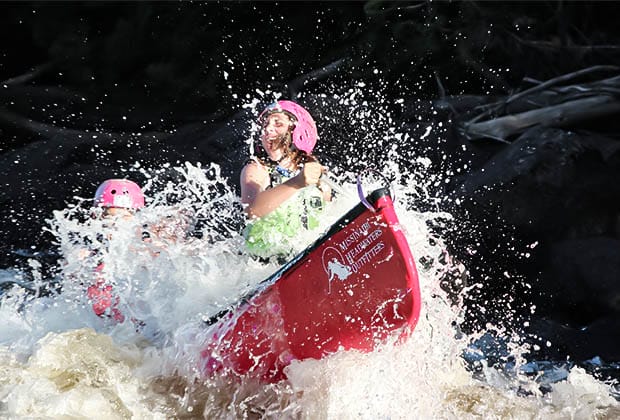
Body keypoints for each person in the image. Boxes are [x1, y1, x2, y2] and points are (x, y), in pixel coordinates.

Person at [240, 100, 332, 258]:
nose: (268, 129)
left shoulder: (320, 183)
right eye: (265, 125)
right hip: (261, 266)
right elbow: (252, 211)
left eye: (278, 124)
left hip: (307, 258)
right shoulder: (256, 170)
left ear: (298, 133)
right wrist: (296, 183)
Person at [87, 178, 146, 322]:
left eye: (124, 218)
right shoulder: (87, 258)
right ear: (97, 218)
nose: (116, 225)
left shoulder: (148, 253)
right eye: (110, 218)